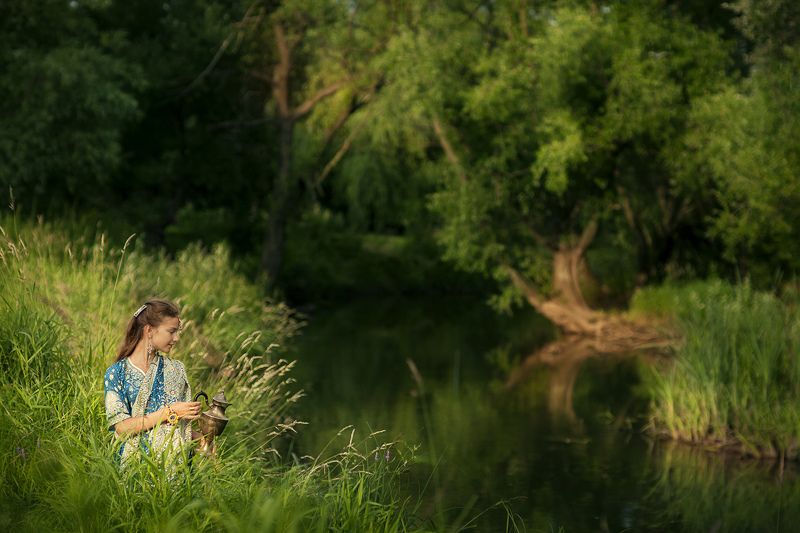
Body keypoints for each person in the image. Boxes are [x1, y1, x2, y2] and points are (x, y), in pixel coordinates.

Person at [103, 298, 201, 467]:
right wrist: (169, 412)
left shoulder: (175, 370)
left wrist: (199, 438)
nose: (176, 338)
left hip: (170, 470)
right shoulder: (117, 373)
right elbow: (122, 428)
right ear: (149, 330)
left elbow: (176, 428)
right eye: (171, 331)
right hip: (132, 468)